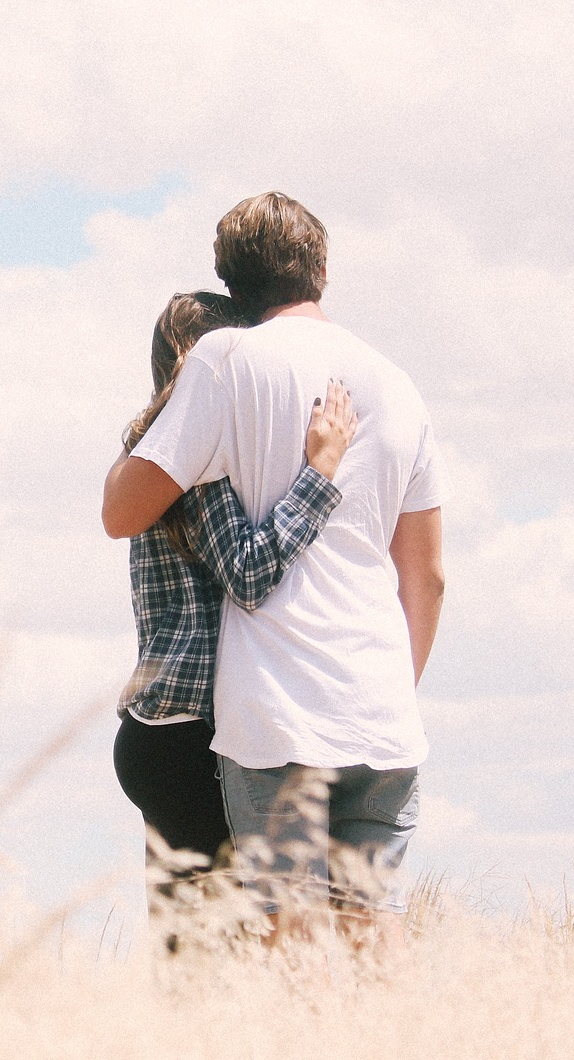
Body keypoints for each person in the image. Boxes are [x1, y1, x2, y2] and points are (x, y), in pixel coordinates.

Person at [102, 193, 448, 956]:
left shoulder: (223, 377)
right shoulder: (398, 382)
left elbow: (129, 514)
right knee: (373, 929)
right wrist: (391, 686)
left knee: (258, 947)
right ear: (322, 266)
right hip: (372, 710)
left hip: (262, 717)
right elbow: (427, 578)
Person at [110, 290, 358, 942]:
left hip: (157, 729)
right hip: (200, 737)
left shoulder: (150, 452)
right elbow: (248, 575)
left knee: (190, 964)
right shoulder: (203, 457)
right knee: (237, 965)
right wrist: (320, 474)